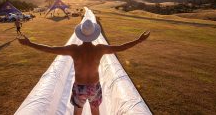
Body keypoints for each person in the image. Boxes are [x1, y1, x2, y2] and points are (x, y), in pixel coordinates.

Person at [18, 19, 150, 115]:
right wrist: (139, 40)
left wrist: (29, 44)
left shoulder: (74, 49)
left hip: (79, 87)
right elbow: (121, 47)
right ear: (94, 34)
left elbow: (51, 49)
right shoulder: (100, 49)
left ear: (80, 34)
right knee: (95, 111)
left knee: (78, 112)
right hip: (94, 86)